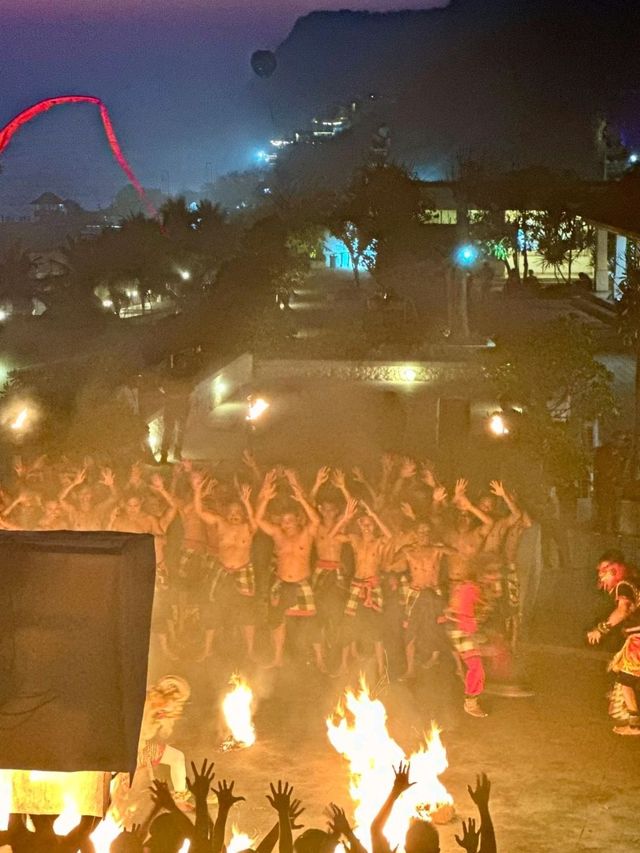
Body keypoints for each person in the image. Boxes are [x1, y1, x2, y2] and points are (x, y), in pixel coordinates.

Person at [256, 469, 320, 669]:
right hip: (282, 582)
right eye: (284, 521)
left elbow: (316, 520)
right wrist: (265, 498)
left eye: (291, 520)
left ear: (297, 520)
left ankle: (316, 659)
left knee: (308, 623)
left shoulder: (306, 535)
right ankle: (277, 657)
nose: (287, 523)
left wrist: (302, 499)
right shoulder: (277, 534)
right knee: (277, 621)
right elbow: (258, 521)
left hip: (302, 583)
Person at [192, 472, 258, 662]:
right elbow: (200, 512)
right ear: (226, 514)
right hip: (222, 570)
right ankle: (207, 649)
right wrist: (197, 490)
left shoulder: (248, 527)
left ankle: (250, 651)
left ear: (242, 514)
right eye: (232, 513)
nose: (235, 516)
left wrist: (246, 502)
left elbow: (254, 522)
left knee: (246, 612)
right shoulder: (220, 523)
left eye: (238, 513)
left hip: (243, 570)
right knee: (213, 608)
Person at [335, 497, 392, 679]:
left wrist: (374, 514)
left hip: (373, 586)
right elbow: (332, 536)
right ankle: (344, 665)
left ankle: (381, 669)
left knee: (376, 627)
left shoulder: (378, 542)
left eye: (370, 524)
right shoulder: (354, 539)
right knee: (349, 624)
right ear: (359, 525)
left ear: (374, 526)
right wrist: (345, 518)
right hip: (356, 585)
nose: (367, 527)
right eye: (364, 524)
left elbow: (390, 536)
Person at [587, 551, 640, 735]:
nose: (601, 574)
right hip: (636, 638)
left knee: (626, 679)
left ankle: (635, 725)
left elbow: (623, 610)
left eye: (604, 570)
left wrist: (601, 629)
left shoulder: (623, 586)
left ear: (615, 570)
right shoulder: (630, 584)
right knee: (626, 678)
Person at [393, 522, 453, 680]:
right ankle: (410, 669)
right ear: (416, 533)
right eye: (421, 531)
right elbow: (391, 561)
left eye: (427, 531)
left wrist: (441, 546)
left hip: (433, 591)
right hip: (415, 592)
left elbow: (455, 553)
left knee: (438, 627)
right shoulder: (409, 551)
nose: (424, 534)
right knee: (410, 630)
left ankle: (435, 657)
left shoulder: (436, 549)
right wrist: (402, 548)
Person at [444, 560, 488, 718]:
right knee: (476, 667)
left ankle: (471, 699)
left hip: (463, 630)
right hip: (462, 631)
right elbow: (452, 611)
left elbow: (450, 611)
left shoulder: (466, 588)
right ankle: (470, 703)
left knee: (476, 666)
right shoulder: (470, 589)